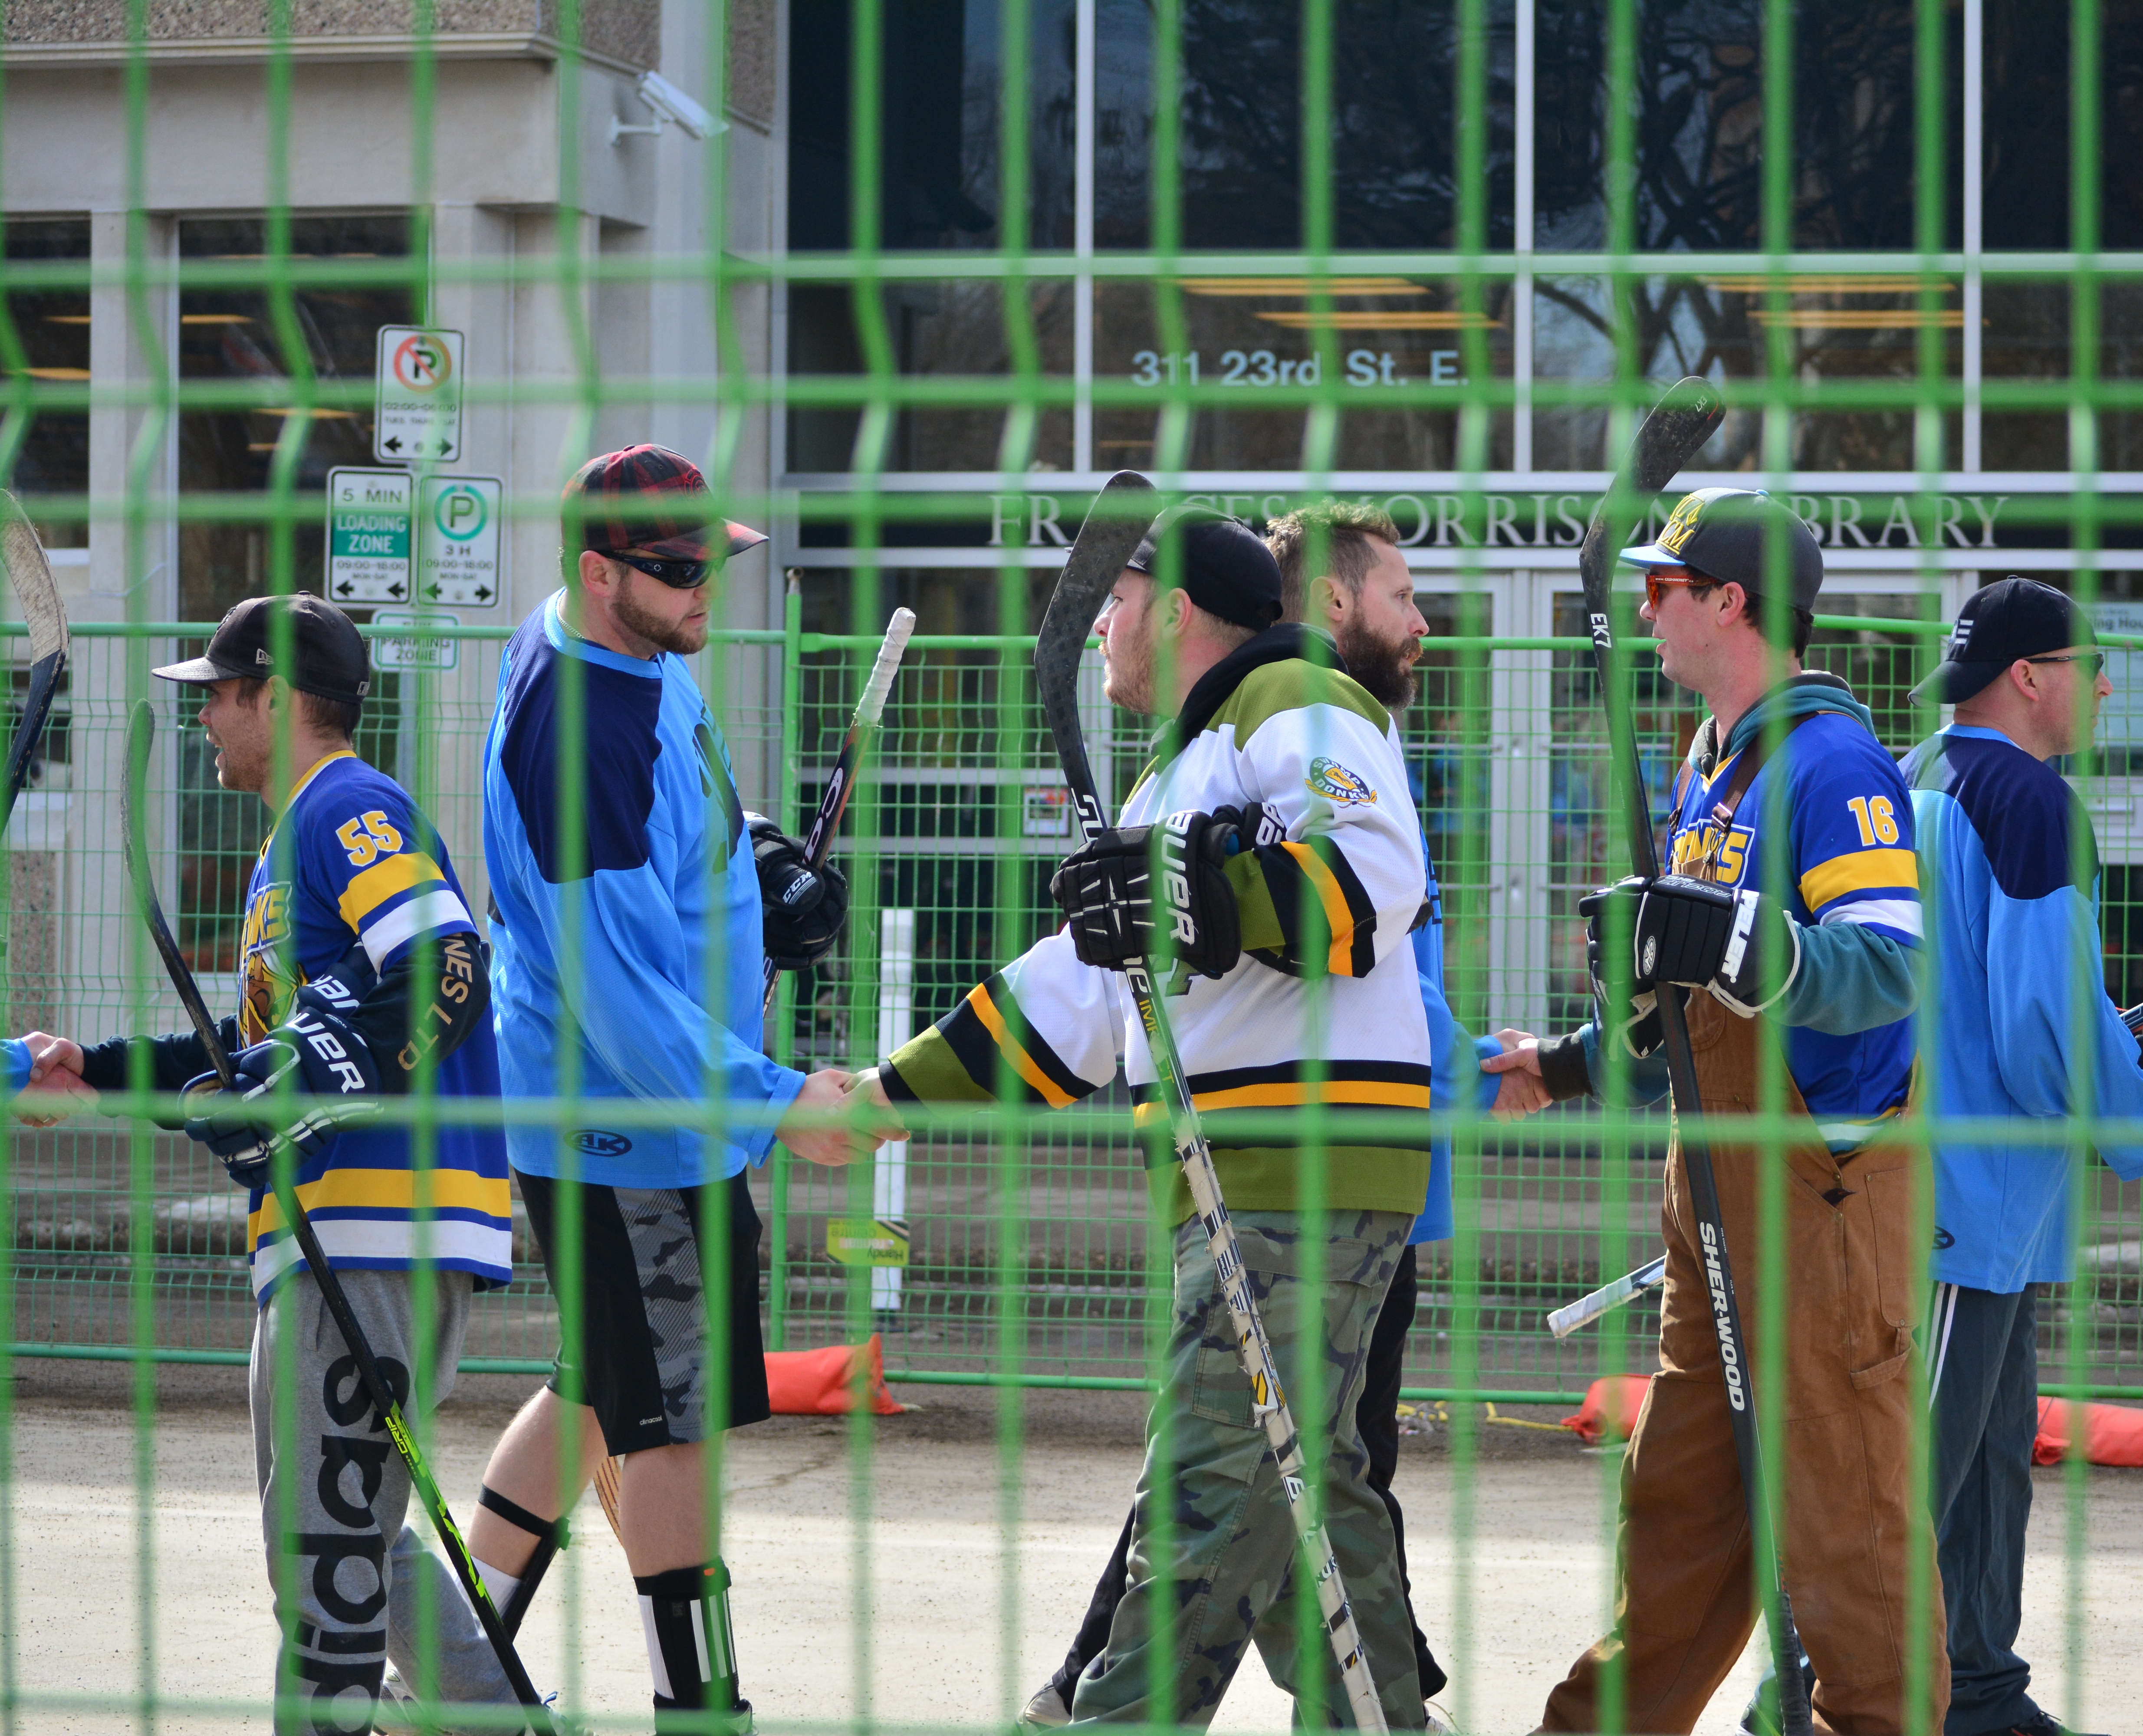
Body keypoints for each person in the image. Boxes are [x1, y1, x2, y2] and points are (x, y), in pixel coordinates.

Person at [858, 503, 1436, 1729]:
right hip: (1260, 1175)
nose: (1101, 626)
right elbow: (1079, 989)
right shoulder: (1184, 760)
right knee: (1304, 1497)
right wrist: (885, 1094)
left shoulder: (1291, 689)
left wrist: (1194, 893)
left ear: (1174, 608)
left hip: (1299, 1173)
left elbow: (1373, 879)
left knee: (1209, 1500)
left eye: (1116, 601)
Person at [1018, 501, 1553, 1731]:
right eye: (1404, 596)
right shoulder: (1284, 731)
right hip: (1309, 1168)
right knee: (1299, 1469)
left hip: (1337, 1177)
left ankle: (1096, 1697)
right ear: (1328, 604)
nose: (1424, 623)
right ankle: (1364, 1709)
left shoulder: (1325, 733)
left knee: (1251, 1467)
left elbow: (1371, 947)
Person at [1489, 489, 1949, 1736]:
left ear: (1731, 602)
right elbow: (1695, 1012)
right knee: (1683, 1518)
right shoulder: (1713, 763)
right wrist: (1574, 1061)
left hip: (1823, 1207)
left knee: (1852, 1542)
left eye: (1663, 587)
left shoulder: (1832, 761)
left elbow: (1888, 969)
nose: (1644, 607)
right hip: (1715, 1207)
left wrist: (1748, 940)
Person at [22, 592, 523, 1733]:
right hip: (348, 1232)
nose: (205, 723)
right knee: (356, 1539)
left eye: (219, 697)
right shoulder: (294, 841)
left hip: (371, 1228)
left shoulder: (343, 806)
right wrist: (91, 1068)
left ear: (277, 699)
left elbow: (445, 966)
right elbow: (250, 1062)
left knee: (328, 1566)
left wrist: (309, 1073)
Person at [457, 445, 867, 1735]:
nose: (707, 591)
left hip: (610, 1111)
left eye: (715, 563)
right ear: (597, 573)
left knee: (602, 1383)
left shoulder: (630, 662)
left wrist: (757, 867)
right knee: (670, 1424)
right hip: (633, 1125)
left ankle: (452, 1663)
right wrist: (773, 1097)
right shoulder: (585, 728)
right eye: (680, 570)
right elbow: (615, 994)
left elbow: (667, 855)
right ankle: (700, 1709)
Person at [1898, 577, 2143, 1736]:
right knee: (1919, 1480)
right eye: (2093, 664)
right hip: (1957, 1198)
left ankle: (1977, 1690)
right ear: (2032, 676)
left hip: (1981, 1201)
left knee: (1986, 1460)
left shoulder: (1915, 772)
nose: (2108, 686)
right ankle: (1818, 1699)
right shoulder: (2028, 800)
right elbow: (2047, 1029)